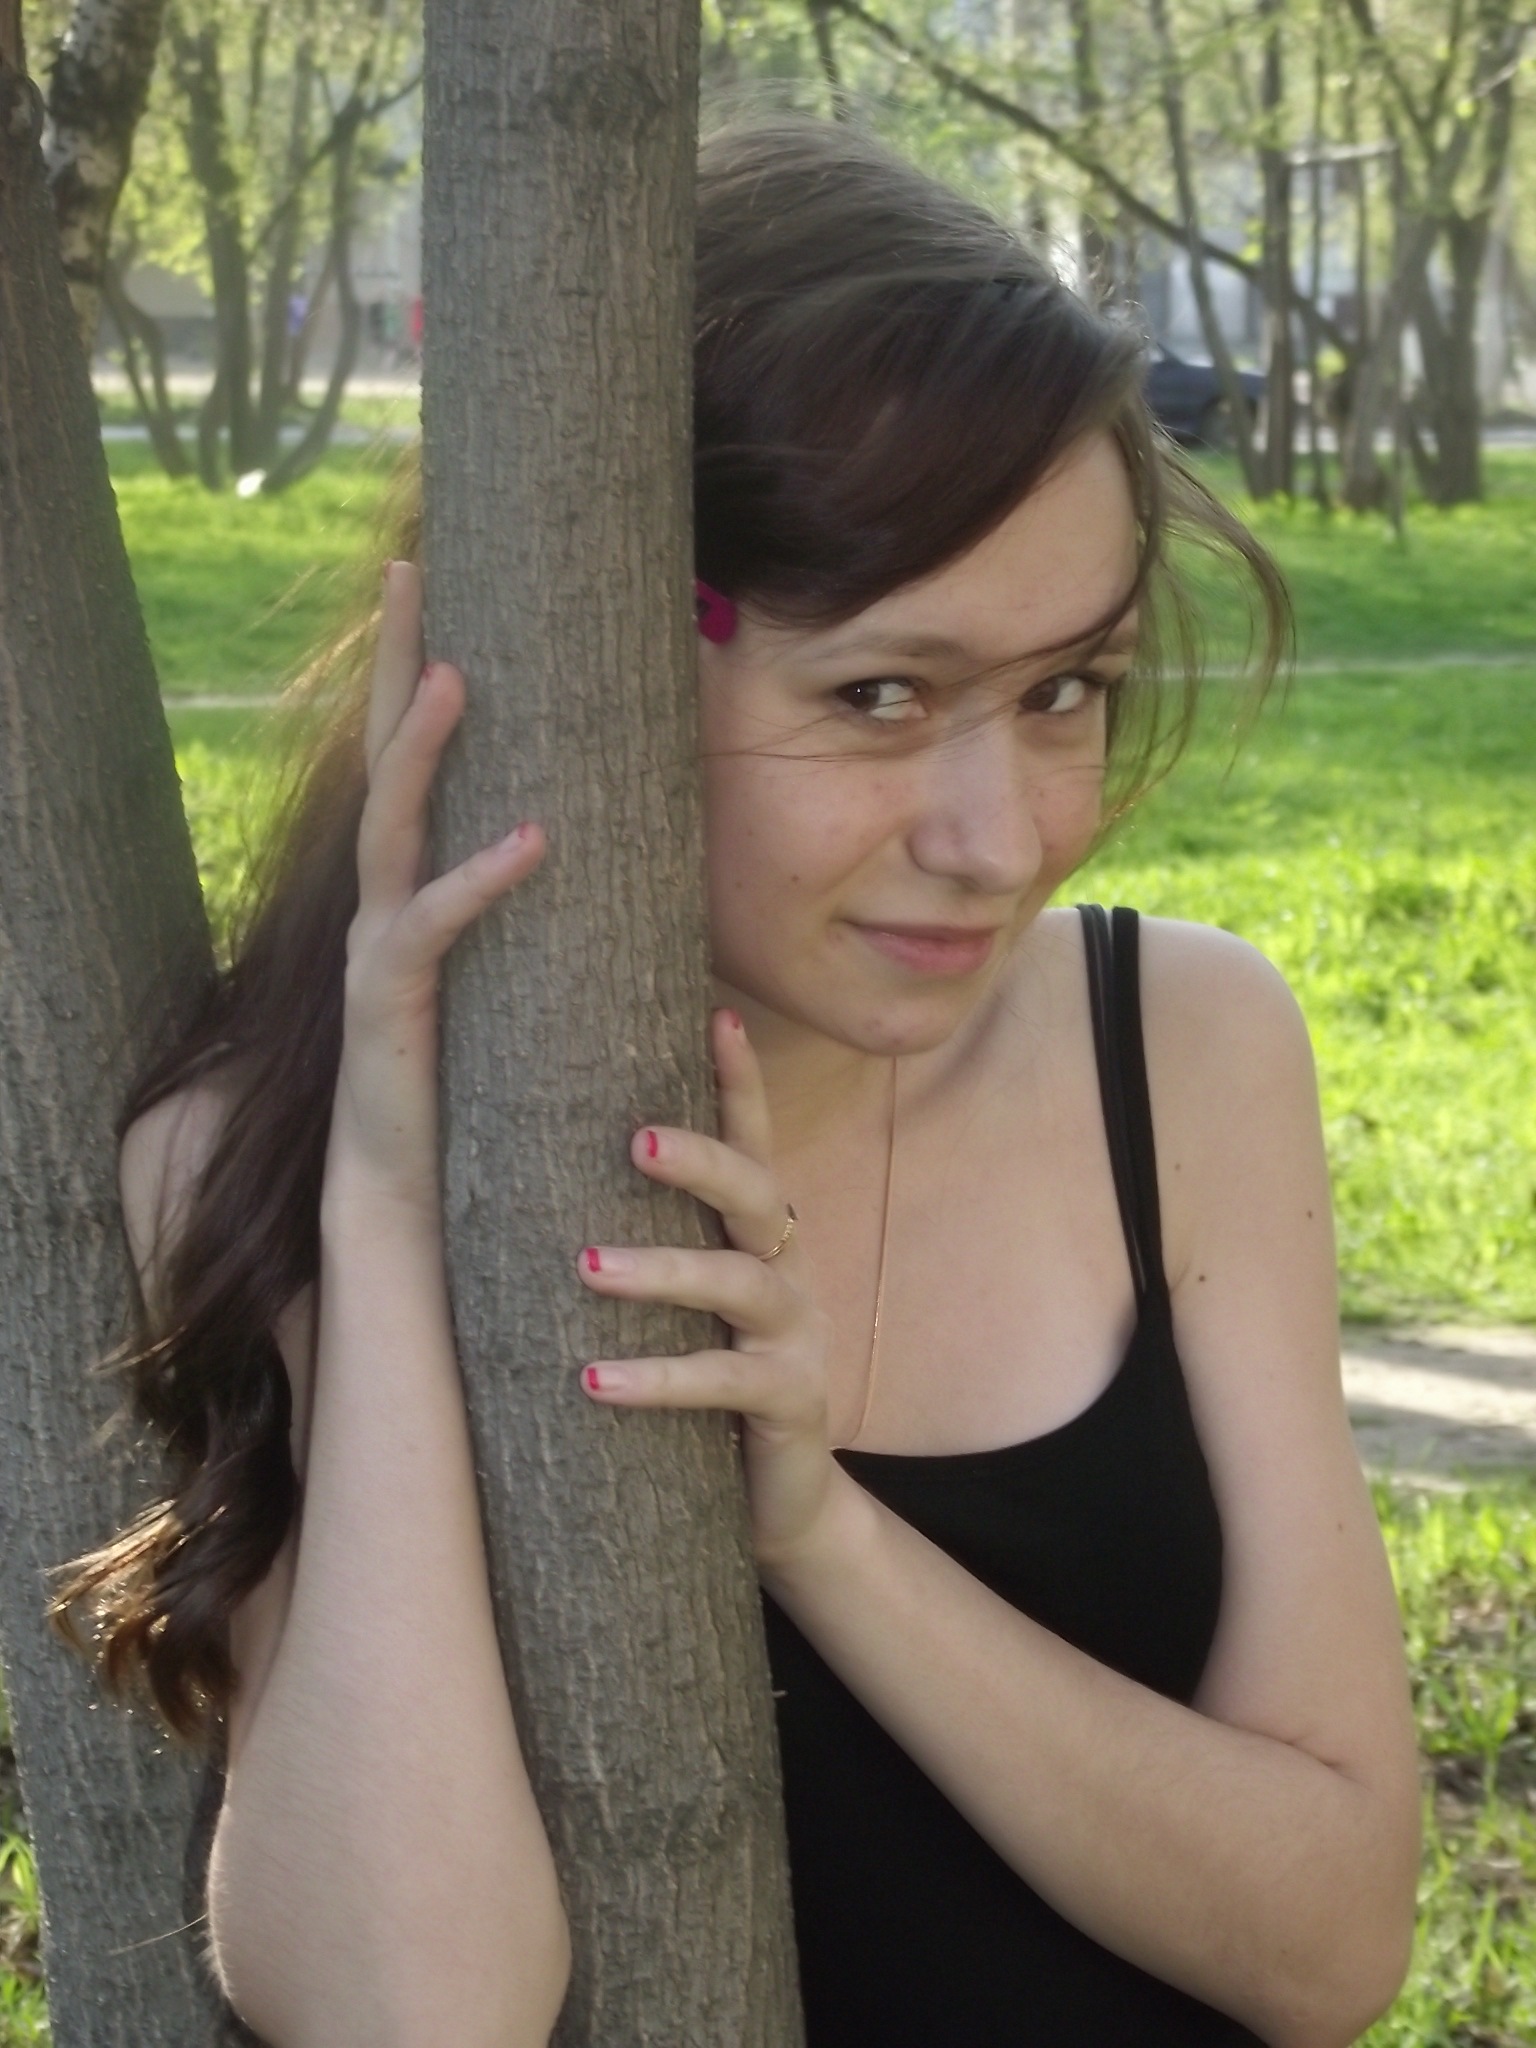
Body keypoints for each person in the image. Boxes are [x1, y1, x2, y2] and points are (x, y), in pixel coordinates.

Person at [53, 114, 1420, 2047]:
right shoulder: (249, 1153)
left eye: (1066, 690)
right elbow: (410, 2009)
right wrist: (375, 1218)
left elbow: (1335, 1942)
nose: (1003, 838)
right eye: (881, 696)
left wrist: (826, 1539)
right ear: (584, 662)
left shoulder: (1183, 1053)